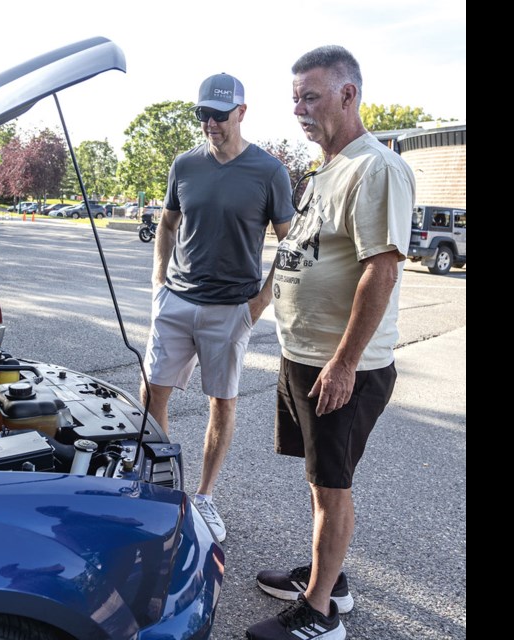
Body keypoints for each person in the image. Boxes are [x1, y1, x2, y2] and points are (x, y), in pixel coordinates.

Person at [246, 46, 415, 640]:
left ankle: (321, 614)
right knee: (319, 480)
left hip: (341, 366)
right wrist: (262, 305)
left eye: (310, 96)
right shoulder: (327, 169)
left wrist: (344, 364)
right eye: (295, 97)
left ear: (348, 95)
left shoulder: (377, 168)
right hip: (303, 356)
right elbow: (302, 252)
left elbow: (382, 270)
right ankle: (329, 576)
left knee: (332, 486)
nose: (299, 109)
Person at [141, 73, 294, 543]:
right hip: (176, 301)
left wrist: (260, 302)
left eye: (219, 115)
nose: (210, 124)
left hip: (231, 309)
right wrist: (158, 280)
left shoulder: (269, 172)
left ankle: (204, 496)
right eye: (203, 114)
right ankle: (156, 487)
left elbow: (291, 246)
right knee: (150, 395)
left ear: (242, 113)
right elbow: (166, 225)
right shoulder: (185, 165)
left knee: (221, 403)